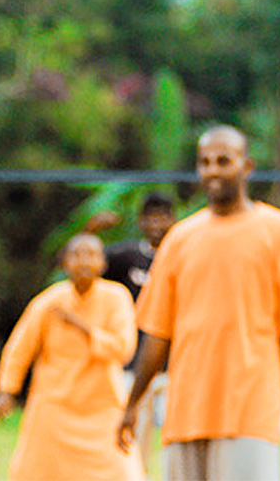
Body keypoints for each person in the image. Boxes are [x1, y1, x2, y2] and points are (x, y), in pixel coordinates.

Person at [117, 125, 280, 480]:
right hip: (185, 412)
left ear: (247, 166)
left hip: (249, 411)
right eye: (205, 162)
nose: (212, 170)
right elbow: (157, 335)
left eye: (223, 161)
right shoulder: (180, 239)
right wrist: (132, 403)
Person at [0, 234, 142, 481]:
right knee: (34, 472)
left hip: (102, 406)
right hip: (53, 405)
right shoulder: (50, 301)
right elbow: (20, 347)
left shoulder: (116, 297)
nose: (84, 261)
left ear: (103, 263)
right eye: (76, 254)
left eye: (91, 254)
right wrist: (6, 390)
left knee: (121, 472)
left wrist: (81, 327)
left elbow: (123, 349)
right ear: (64, 263)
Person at [103, 192, 176, 476]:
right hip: (137, 361)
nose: (157, 223)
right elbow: (81, 259)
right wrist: (92, 230)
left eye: (163, 216)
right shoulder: (127, 256)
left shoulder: (181, 255)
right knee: (135, 430)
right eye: (151, 217)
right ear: (141, 221)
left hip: (175, 363)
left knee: (173, 433)